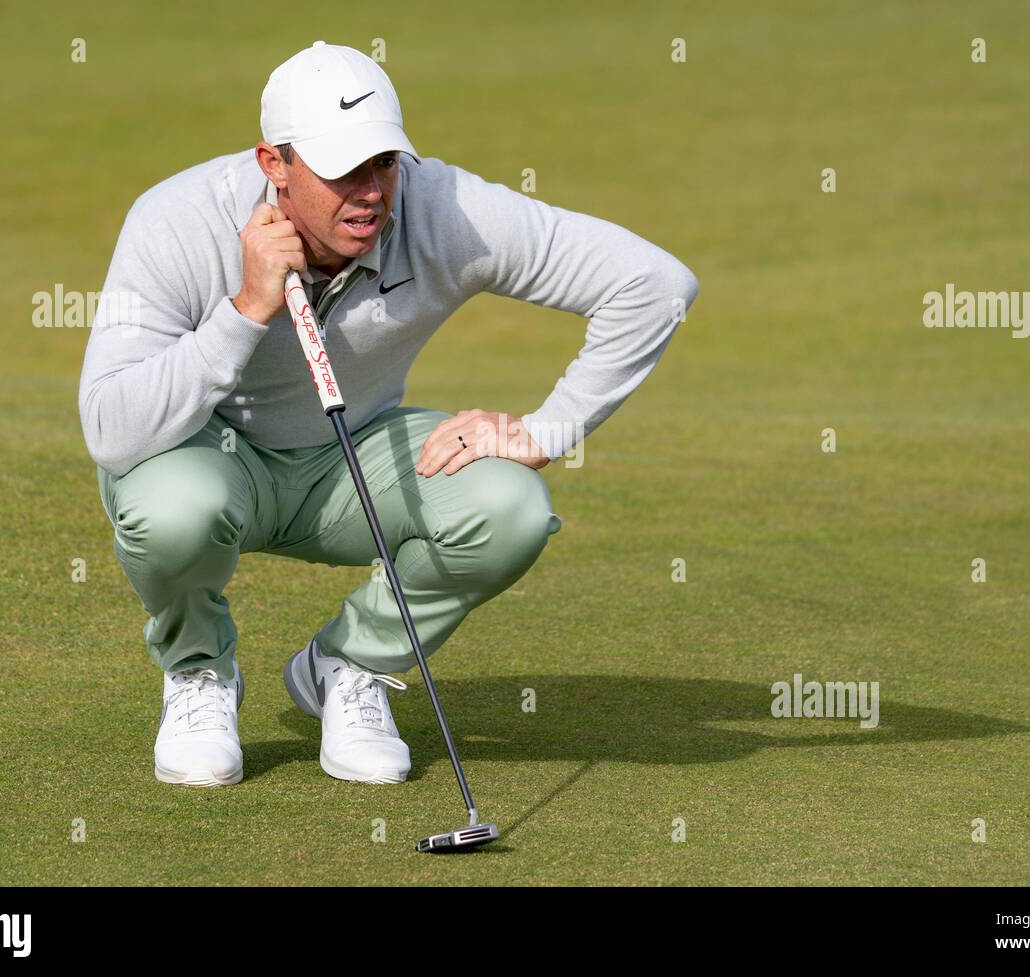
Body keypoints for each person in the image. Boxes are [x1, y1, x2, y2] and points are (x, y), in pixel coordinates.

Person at [78, 41, 699, 787]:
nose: (372, 192)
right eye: (343, 170)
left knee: (511, 508)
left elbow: (655, 285)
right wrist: (245, 311)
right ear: (274, 164)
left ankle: (350, 666)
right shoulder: (176, 219)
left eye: (384, 163)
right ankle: (199, 672)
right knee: (173, 509)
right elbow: (112, 431)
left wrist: (549, 430)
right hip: (213, 457)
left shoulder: (445, 211)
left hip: (353, 458)